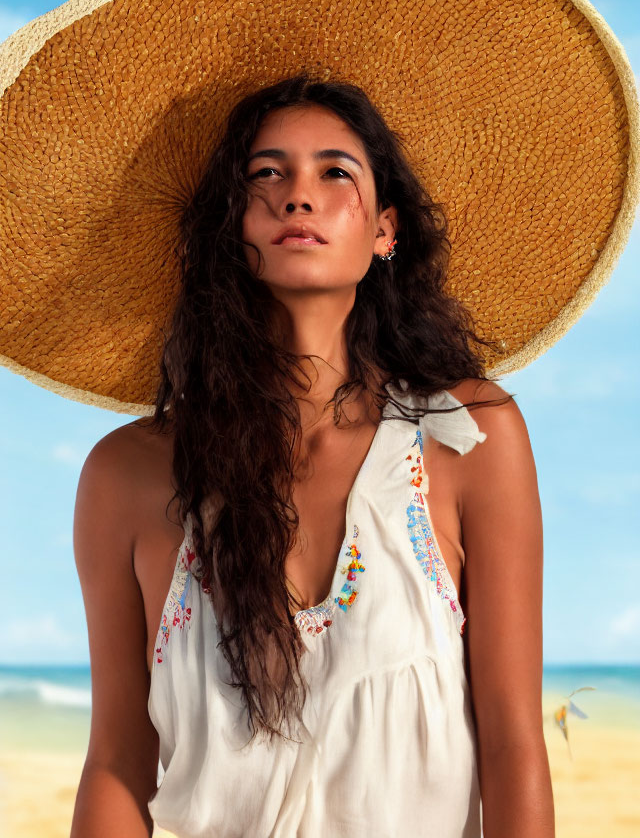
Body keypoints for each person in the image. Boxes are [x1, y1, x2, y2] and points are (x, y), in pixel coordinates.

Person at [71, 73, 555, 837]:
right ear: (232, 227)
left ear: (386, 231)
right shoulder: (129, 471)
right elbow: (118, 763)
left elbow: (513, 744)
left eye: (336, 172)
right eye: (265, 174)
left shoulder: (468, 438)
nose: (298, 196)